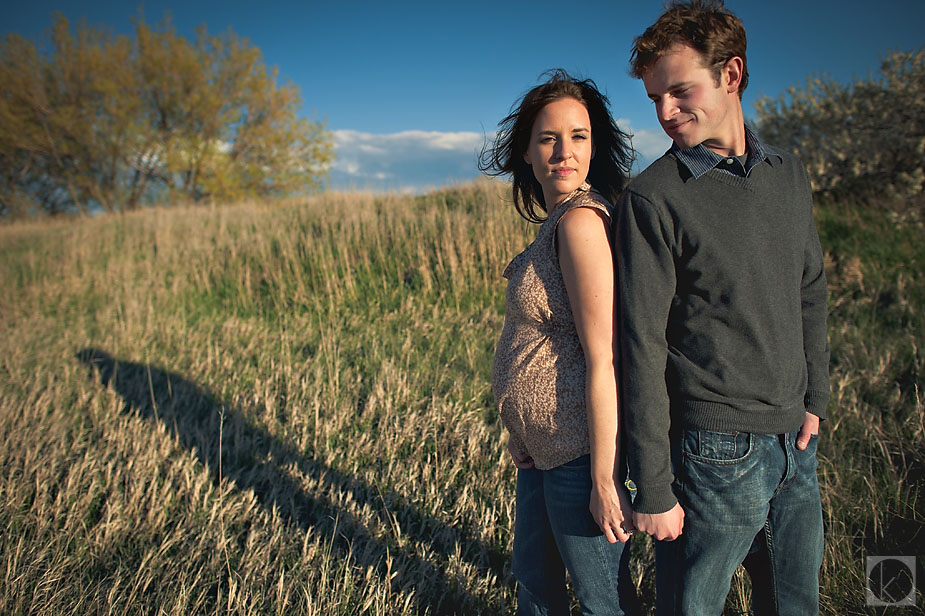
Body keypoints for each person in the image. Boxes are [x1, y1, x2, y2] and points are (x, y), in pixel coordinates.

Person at [614, 2, 830, 614]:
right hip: (712, 450)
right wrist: (653, 485)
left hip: (795, 439)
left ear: (730, 75)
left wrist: (817, 398)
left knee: (794, 600)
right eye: (654, 97)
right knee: (693, 606)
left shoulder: (788, 174)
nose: (663, 112)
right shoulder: (652, 198)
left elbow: (809, 289)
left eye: (679, 92)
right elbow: (641, 344)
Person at [479, 69, 638, 615]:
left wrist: (603, 476)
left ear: (595, 145)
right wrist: (522, 428)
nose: (563, 151)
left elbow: (605, 358)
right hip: (542, 452)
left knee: (601, 603)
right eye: (548, 138)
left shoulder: (580, 225)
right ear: (526, 149)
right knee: (536, 584)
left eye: (579, 136)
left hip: (578, 455)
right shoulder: (558, 223)